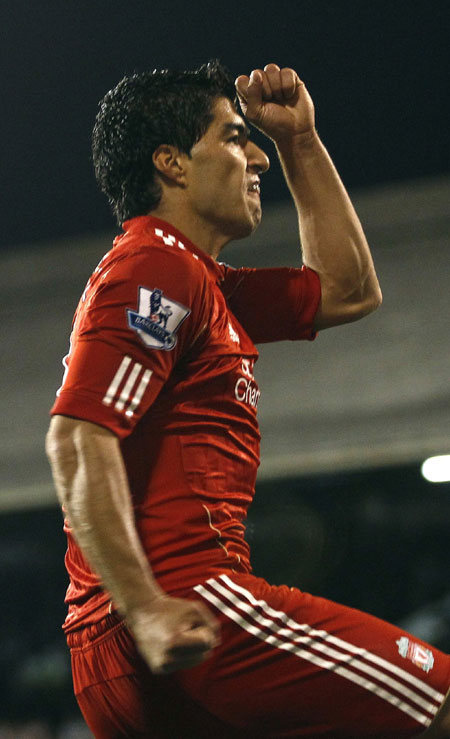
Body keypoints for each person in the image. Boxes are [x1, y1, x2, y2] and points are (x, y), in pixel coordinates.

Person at [46, 60, 450, 738]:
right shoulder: (156, 267)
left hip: (123, 648)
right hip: (192, 607)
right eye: (234, 137)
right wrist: (147, 604)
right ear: (171, 163)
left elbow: (348, 290)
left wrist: (302, 141)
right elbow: (78, 437)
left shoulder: (204, 284)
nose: (256, 154)